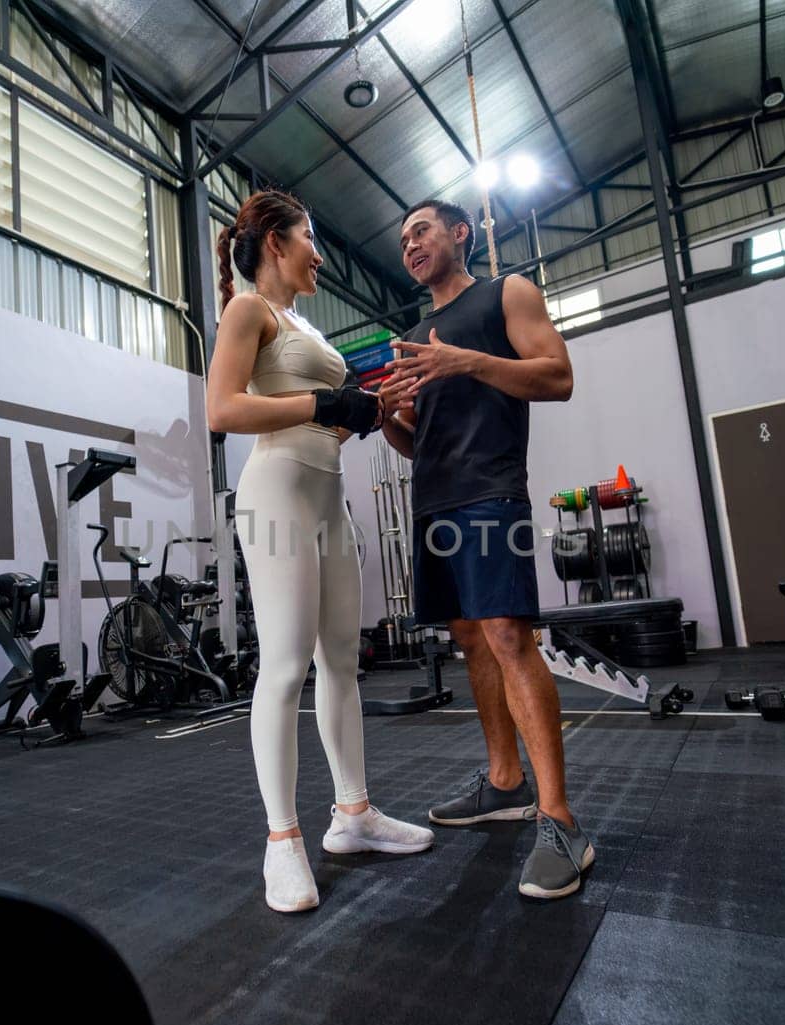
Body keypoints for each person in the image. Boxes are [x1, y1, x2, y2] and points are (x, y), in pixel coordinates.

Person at [206, 190, 434, 914]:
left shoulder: (304, 324)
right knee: (282, 667)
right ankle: (282, 841)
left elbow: (322, 419)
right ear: (276, 241)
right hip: (275, 495)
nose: (320, 254)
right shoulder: (251, 311)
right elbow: (222, 409)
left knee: (342, 659)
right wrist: (321, 405)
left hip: (328, 496)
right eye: (310, 238)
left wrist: (362, 412)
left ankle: (353, 814)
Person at [377, 199, 590, 900]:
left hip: (492, 490)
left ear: (459, 234)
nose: (410, 244)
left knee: (506, 634)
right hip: (434, 499)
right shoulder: (413, 335)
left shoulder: (508, 293)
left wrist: (465, 360)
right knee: (469, 638)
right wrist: (391, 425)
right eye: (403, 238)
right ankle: (504, 780)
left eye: (422, 230)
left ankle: (560, 821)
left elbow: (556, 376)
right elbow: (419, 438)